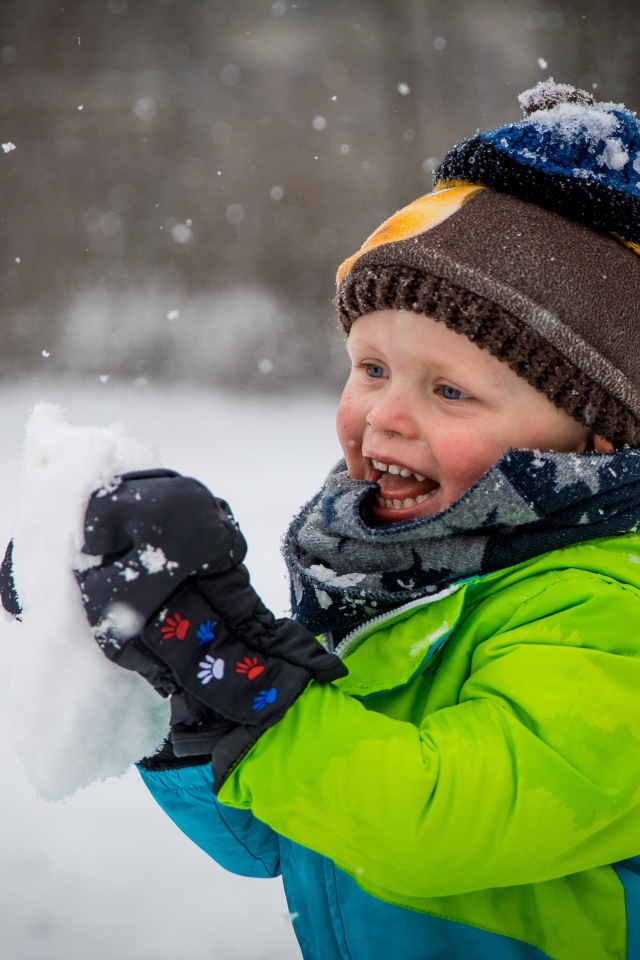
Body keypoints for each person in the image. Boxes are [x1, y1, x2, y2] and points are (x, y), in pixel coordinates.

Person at [10, 80, 640, 960]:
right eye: (372, 368)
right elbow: (278, 837)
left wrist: (257, 692)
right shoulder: (400, 571)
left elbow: (433, 821)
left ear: (597, 435)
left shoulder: (608, 610)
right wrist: (189, 687)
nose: (384, 416)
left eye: (449, 390)